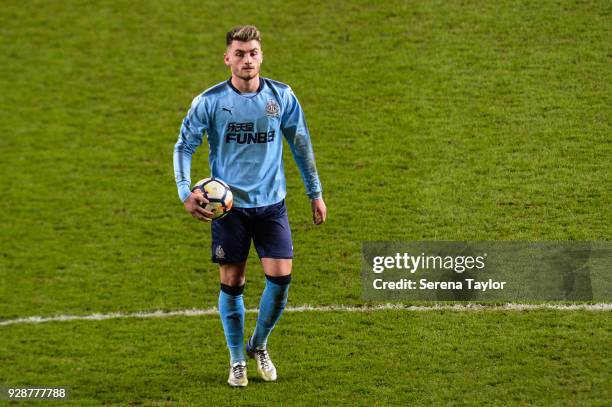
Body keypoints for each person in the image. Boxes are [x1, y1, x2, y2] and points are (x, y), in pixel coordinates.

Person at [173, 25, 327, 387]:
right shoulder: (209, 102)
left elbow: (300, 144)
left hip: (272, 205)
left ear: (261, 56)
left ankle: (259, 344)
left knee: (281, 280)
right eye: (239, 53)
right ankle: (236, 359)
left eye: (253, 52)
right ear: (227, 58)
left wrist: (315, 192)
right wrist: (184, 191)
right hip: (229, 210)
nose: (247, 59)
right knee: (233, 283)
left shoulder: (282, 96)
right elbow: (183, 147)